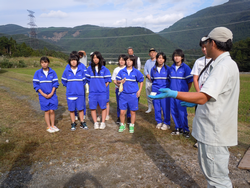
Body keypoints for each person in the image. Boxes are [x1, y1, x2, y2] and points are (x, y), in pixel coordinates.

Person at [149, 27, 239, 188]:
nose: (204, 47)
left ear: (212, 43)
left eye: (206, 43)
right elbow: (212, 96)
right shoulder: (223, 63)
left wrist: (173, 93)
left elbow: (203, 95)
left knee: (218, 180)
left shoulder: (223, 66)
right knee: (213, 177)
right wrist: (195, 102)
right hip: (213, 129)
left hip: (214, 131)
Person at [189, 37, 214, 148]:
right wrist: (198, 92)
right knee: (199, 116)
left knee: (211, 117)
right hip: (200, 93)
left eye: (205, 47)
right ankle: (200, 140)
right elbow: (195, 78)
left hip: (212, 94)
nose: (204, 49)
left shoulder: (217, 61)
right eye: (202, 47)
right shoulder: (198, 61)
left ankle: (211, 140)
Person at [116, 55, 144, 133]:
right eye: (127, 60)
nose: (128, 62)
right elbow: (117, 80)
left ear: (133, 62)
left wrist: (139, 90)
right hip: (123, 94)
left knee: (132, 111)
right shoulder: (122, 71)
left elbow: (141, 80)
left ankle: (132, 125)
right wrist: (120, 81)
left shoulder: (136, 72)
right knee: (122, 111)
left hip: (133, 95)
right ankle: (122, 124)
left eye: (130, 60)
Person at [168, 49, 193, 137]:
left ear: (182, 57)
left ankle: (185, 130)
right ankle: (178, 128)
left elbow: (190, 81)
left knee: (182, 112)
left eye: (178, 56)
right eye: (175, 56)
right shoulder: (171, 68)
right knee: (174, 111)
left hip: (181, 95)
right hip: (172, 94)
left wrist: (186, 93)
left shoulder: (186, 68)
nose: (176, 57)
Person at [33, 57, 60, 133]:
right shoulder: (37, 73)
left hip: (52, 95)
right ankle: (48, 127)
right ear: (40, 64)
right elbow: (36, 85)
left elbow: (55, 84)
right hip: (43, 96)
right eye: (42, 62)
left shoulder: (53, 72)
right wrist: (43, 94)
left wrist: (51, 93)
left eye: (45, 62)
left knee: (52, 111)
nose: (44, 64)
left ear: (48, 63)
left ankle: (53, 125)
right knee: (47, 111)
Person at [86, 51, 111, 130]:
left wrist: (102, 88)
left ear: (100, 59)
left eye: (97, 58)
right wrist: (92, 87)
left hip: (102, 93)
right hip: (93, 93)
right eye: (94, 58)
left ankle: (103, 123)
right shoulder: (89, 69)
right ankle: (95, 123)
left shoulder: (105, 69)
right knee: (93, 108)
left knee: (103, 107)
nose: (95, 59)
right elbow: (88, 80)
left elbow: (107, 81)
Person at [62, 55, 88, 131]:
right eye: (72, 60)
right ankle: (73, 123)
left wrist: (79, 88)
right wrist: (71, 87)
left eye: (75, 60)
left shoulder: (81, 71)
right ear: (69, 62)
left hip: (80, 94)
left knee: (81, 109)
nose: (73, 62)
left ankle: (82, 122)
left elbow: (84, 81)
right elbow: (64, 82)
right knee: (72, 109)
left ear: (77, 61)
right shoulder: (66, 71)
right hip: (70, 94)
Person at [150, 52, 171, 130]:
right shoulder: (153, 69)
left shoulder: (168, 69)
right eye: (159, 58)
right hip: (155, 91)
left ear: (164, 59)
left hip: (165, 91)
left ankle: (166, 123)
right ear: (156, 59)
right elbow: (152, 79)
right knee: (157, 107)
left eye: (162, 58)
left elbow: (170, 80)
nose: (160, 60)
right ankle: (159, 121)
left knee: (165, 107)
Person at [111, 54, 131, 124]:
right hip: (118, 90)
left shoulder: (128, 69)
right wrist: (119, 86)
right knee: (119, 104)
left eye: (123, 60)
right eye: (120, 60)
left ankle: (128, 117)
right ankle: (119, 117)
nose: (121, 61)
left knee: (128, 104)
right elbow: (114, 80)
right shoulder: (116, 69)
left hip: (128, 90)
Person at [144, 48, 157, 113]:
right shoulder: (147, 61)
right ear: (149, 54)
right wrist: (149, 77)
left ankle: (156, 108)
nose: (152, 53)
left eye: (153, 52)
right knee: (148, 94)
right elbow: (145, 71)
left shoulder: (158, 61)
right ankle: (149, 108)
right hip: (148, 80)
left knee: (155, 95)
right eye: (151, 52)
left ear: (156, 53)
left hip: (156, 81)